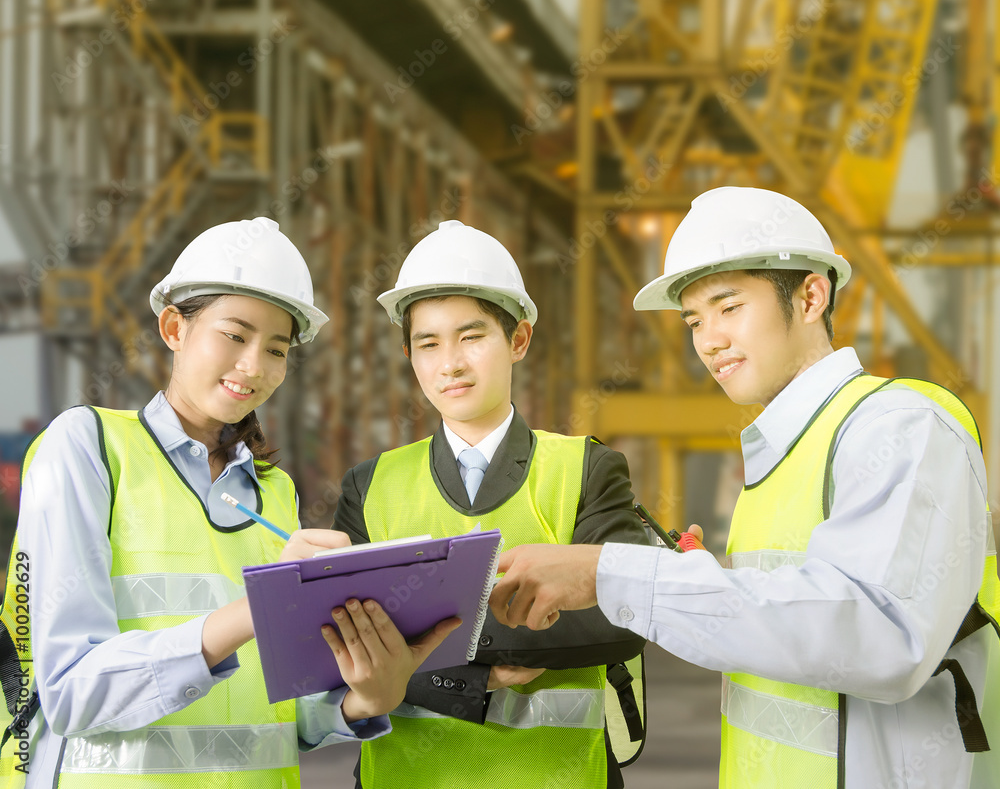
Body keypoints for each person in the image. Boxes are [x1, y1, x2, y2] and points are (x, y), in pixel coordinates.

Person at [490, 187, 1000, 788]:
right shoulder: (780, 456)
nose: (707, 340)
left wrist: (608, 572)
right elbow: (793, 616)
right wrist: (714, 581)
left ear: (811, 295)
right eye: (695, 320)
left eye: (729, 307)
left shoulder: (898, 426)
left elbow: (883, 636)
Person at [0, 217, 459, 789]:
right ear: (173, 327)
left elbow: (282, 716)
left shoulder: (275, 491)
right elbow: (69, 692)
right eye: (235, 335)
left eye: (276, 348)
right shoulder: (88, 447)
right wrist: (259, 607)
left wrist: (365, 698)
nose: (254, 367)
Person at [333, 219, 648, 789]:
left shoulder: (585, 469)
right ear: (410, 355)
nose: (449, 363)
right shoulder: (369, 485)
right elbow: (341, 652)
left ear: (518, 340)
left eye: (471, 337)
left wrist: (414, 647)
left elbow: (625, 612)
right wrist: (485, 673)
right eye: (428, 343)